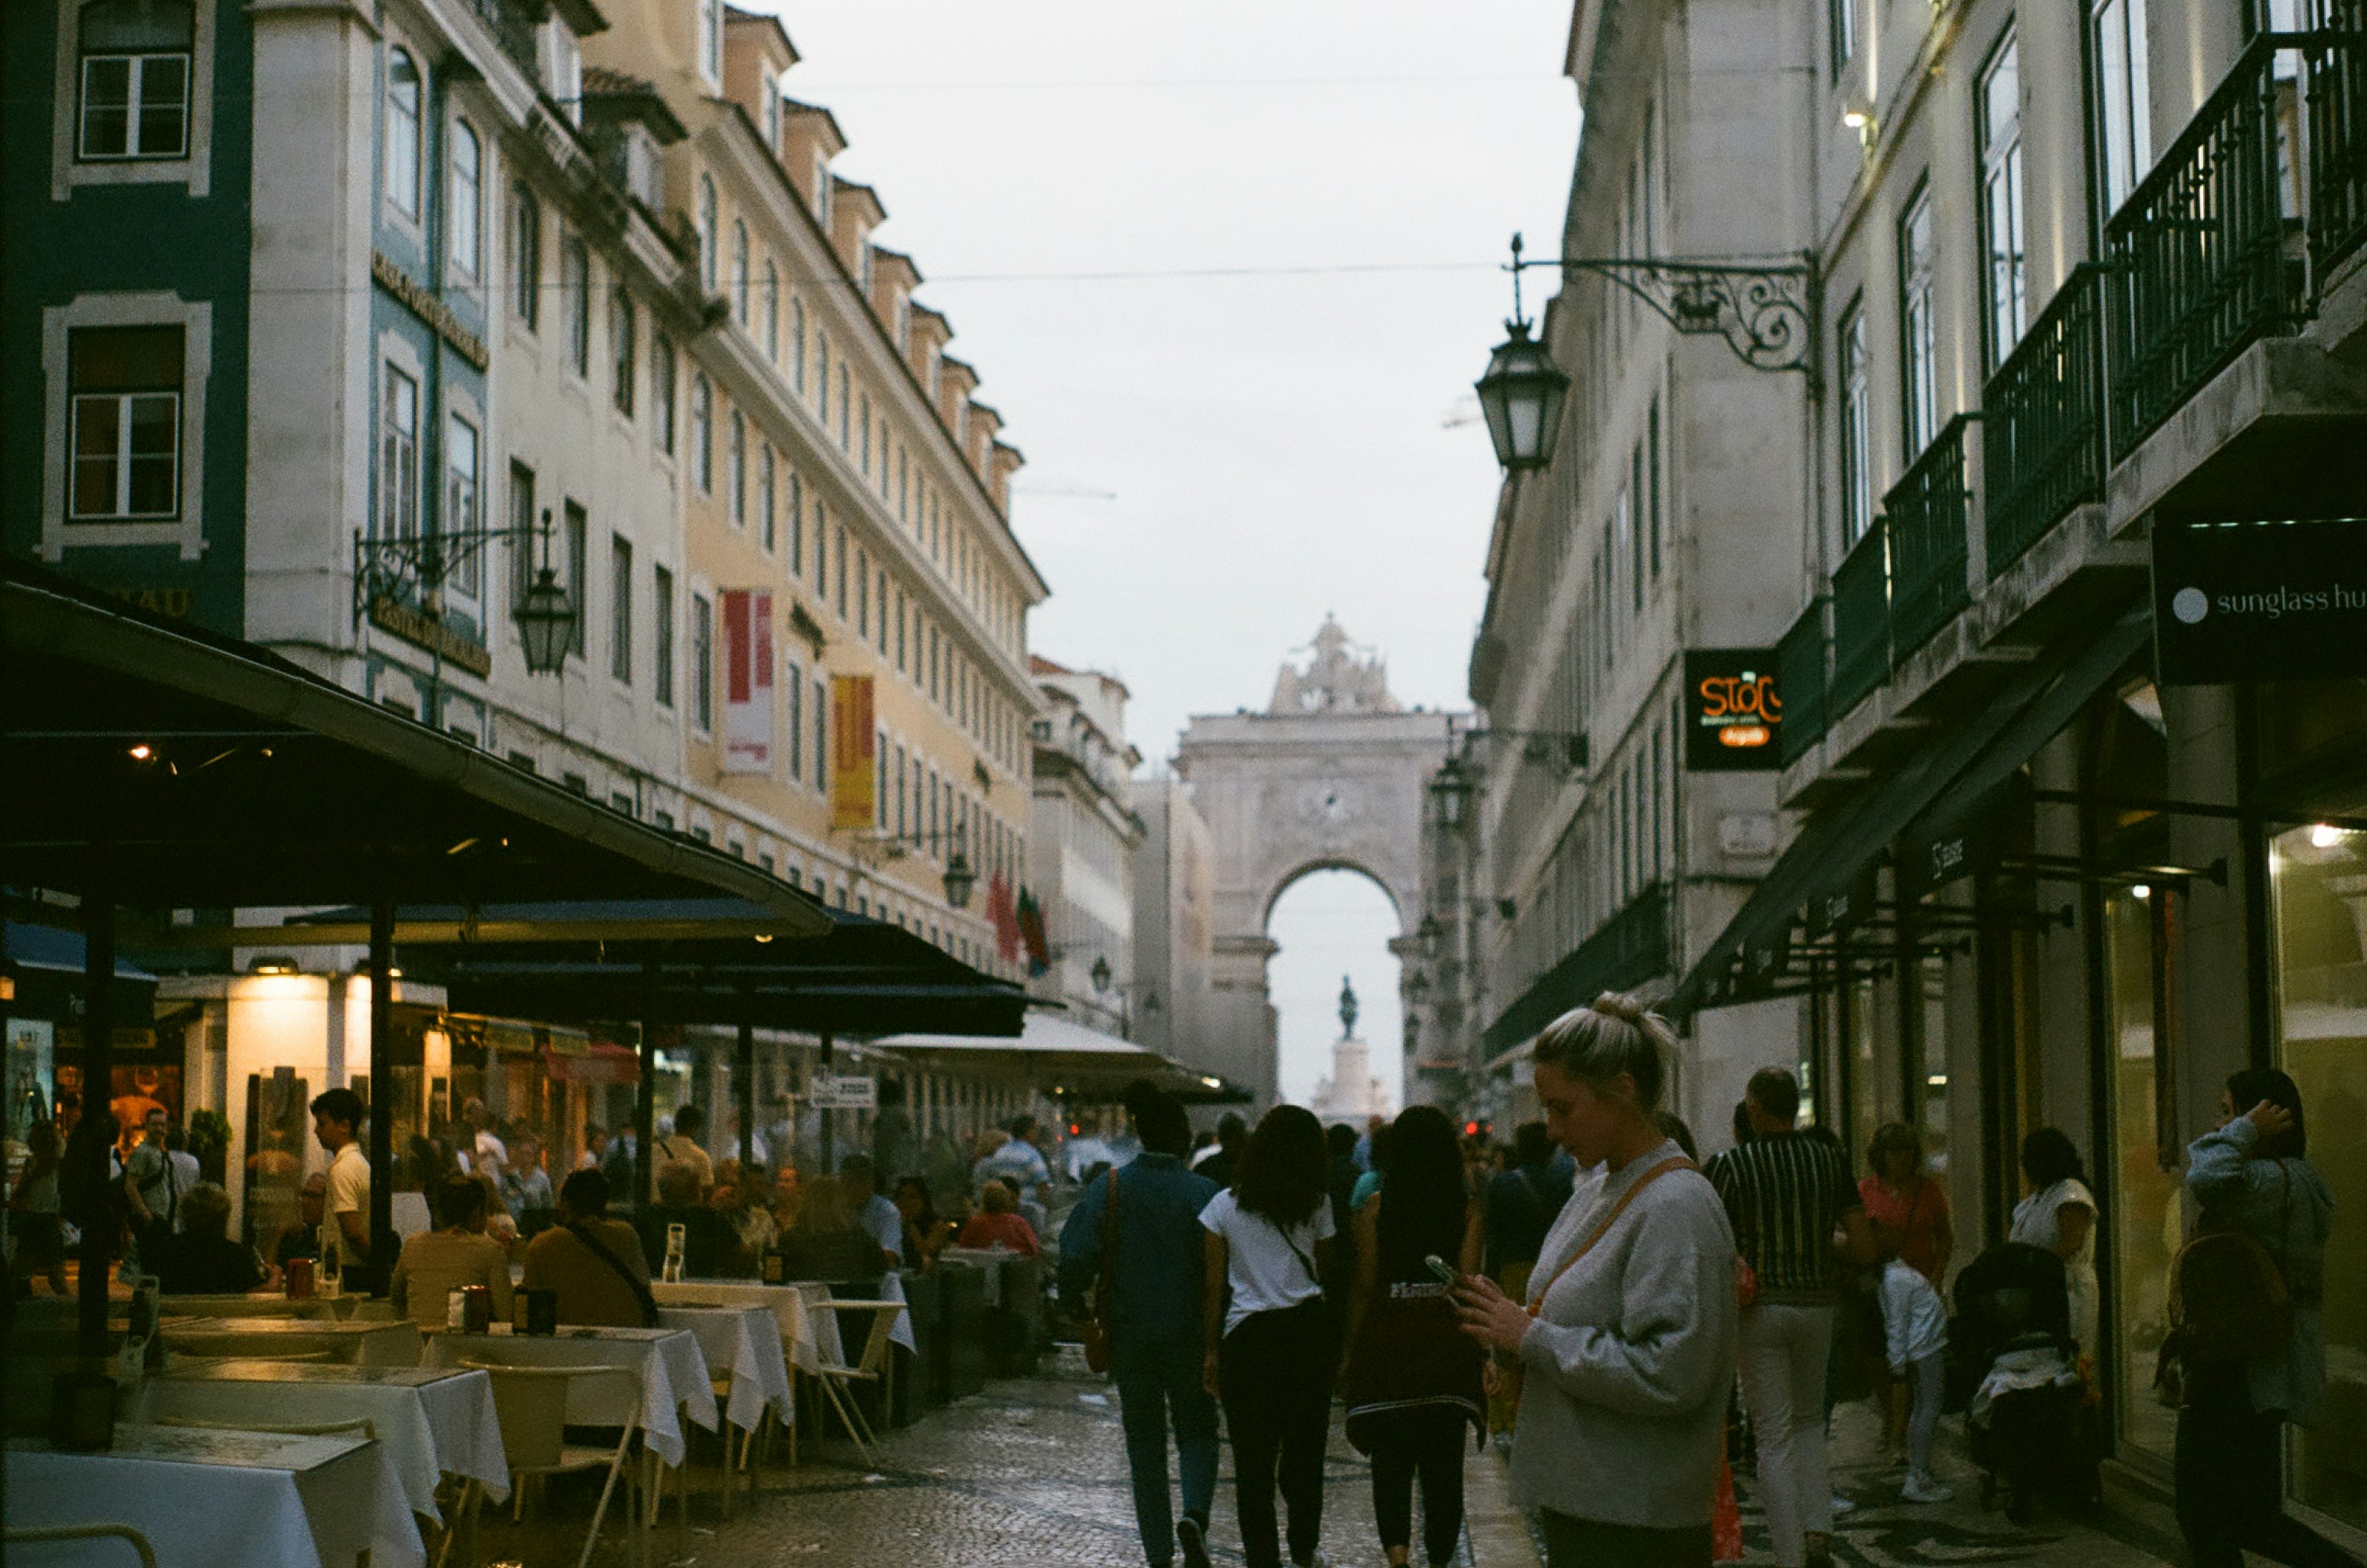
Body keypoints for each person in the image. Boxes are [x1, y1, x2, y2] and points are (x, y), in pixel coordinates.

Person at [1453, 994, 1738, 1568]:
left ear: (1623, 1089)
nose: (1552, 1130)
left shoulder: (1675, 1205)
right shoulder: (1598, 1188)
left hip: (1634, 1520)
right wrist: (1514, 1333)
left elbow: (1671, 1372)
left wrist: (1531, 1339)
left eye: (1564, 1109)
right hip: (1594, 1504)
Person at [2174, 1070, 2359, 1568]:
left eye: (2230, 1111)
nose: (2220, 1124)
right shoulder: (2299, 1181)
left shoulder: (2264, 1184)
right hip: (2264, 1362)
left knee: (2201, 1510)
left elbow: (2203, 1175)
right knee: (2250, 1514)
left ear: (2267, 1119)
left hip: (2235, 1365)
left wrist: (2244, 1132)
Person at [1702, 1067, 1872, 1568]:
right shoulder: (1829, 1159)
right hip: (1818, 1308)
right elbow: (1861, 1246)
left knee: (1770, 1436)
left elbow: (1711, 1244)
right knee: (1806, 1426)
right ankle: (1818, 1531)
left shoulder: (1731, 1165)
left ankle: (1789, 1557)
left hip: (1759, 1314)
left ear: (1754, 1109)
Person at [1059, 1089, 1223, 1568]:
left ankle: (1157, 1551)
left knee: (1144, 1442)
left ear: (1141, 1136)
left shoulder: (1110, 1187)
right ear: (1185, 1138)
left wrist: (1075, 1302)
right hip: (1191, 1333)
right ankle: (1194, 1514)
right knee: (1198, 1429)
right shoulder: (1205, 1194)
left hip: (1130, 1334)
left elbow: (1074, 1255)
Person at [1342, 1106, 1485, 1568]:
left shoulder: (1377, 1207)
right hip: (1446, 1352)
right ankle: (1440, 1559)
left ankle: (1398, 1558)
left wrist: (1349, 1354)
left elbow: (1365, 1285)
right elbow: (1467, 1283)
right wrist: (1487, 1355)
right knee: (1444, 1470)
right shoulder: (1466, 1210)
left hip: (1390, 1349)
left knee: (1391, 1464)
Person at [1198, 1104, 1336, 1568]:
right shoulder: (1318, 1203)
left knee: (1252, 1464)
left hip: (1248, 1340)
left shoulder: (1221, 1207)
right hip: (1306, 1334)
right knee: (1305, 1453)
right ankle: (1302, 1546)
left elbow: (1213, 1287)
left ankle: (1263, 1558)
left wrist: (1211, 1350)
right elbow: (1329, 1271)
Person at [521, 1168, 656, 1327]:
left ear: (564, 1204)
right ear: (604, 1205)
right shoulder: (627, 1236)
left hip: (570, 1345)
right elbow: (645, 1287)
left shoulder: (542, 1245)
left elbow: (528, 1307)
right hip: (627, 1342)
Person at [2007, 1127, 2097, 1359]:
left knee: (2070, 1359)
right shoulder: (2032, 1202)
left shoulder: (2070, 1193)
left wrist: (2035, 1265)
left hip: (2069, 1291)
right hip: (2038, 1292)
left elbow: (2072, 1242)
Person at [1878, 1236, 1952, 1504]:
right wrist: (1897, 1366)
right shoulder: (1898, 1278)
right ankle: (1918, 1475)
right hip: (1924, 1347)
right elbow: (1897, 1325)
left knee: (1923, 1409)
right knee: (1928, 1409)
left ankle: (1920, 1471)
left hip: (1923, 1345)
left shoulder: (1894, 1276)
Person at [391, 1176, 515, 1328]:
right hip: (465, 1346)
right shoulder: (490, 1250)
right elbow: (505, 1314)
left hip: (417, 1343)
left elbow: (396, 1298)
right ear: (477, 1212)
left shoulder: (413, 1245)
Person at [1484, 1121, 1574, 1295]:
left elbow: (1493, 1237)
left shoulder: (1502, 1183)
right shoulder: (1564, 1182)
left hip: (1513, 1268)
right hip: (1554, 1268)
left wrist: (1491, 1276)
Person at [1859, 1122, 1953, 1287]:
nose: (1903, 1157)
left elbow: (1944, 1236)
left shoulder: (1929, 1189)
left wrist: (1937, 1276)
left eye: (1908, 1151)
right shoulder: (1865, 1190)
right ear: (1881, 1155)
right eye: (1895, 1152)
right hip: (1880, 1283)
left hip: (1922, 1279)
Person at [149, 1181, 265, 1295]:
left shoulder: (165, 1251)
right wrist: (275, 1278)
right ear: (223, 1217)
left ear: (185, 1214)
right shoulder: (238, 1255)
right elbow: (253, 1296)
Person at [311, 1088, 374, 1294]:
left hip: (350, 1272)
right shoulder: (359, 1164)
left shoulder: (343, 1169)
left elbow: (353, 1232)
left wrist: (378, 1267)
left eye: (322, 1123)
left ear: (344, 1126)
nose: (316, 1130)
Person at [775, 1170, 888, 1284]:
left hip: (806, 1300)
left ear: (806, 1202)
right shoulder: (860, 1239)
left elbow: (776, 1279)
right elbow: (880, 1270)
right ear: (842, 1202)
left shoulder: (789, 1241)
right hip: (851, 1299)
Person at [9, 1119, 69, 1294]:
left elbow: (22, 1192)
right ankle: (70, 1306)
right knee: (56, 1273)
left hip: (34, 1216)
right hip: (48, 1218)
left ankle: (21, 1297)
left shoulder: (34, 1163)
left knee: (23, 1266)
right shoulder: (59, 1162)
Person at [841, 1153, 904, 1269]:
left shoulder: (888, 1211)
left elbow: (890, 1255)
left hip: (878, 1281)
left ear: (872, 1182)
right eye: (850, 1181)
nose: (857, 1186)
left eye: (862, 1180)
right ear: (842, 1182)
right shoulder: (835, 1209)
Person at [958, 1178, 1041, 1256]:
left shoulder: (974, 1224)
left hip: (982, 1269)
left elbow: (962, 1250)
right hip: (1016, 1269)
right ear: (1006, 1200)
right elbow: (1034, 1249)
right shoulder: (1019, 1223)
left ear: (984, 1201)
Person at [654, 1105, 714, 1197]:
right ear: (695, 1128)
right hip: (688, 1210)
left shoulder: (655, 1151)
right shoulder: (700, 1157)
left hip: (657, 1208)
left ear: (675, 1124)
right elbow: (707, 1190)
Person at [892, 1178, 950, 1270]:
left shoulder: (937, 1226)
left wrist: (910, 1229)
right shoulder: (892, 1223)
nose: (905, 1201)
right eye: (901, 1195)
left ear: (923, 1200)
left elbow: (925, 1254)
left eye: (912, 1197)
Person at [1192, 1113, 1247, 1187]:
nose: (1232, 1142)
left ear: (1219, 1138)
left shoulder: (1205, 1168)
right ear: (1244, 1137)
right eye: (1228, 1137)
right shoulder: (1257, 1166)